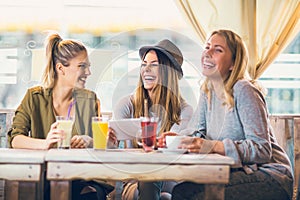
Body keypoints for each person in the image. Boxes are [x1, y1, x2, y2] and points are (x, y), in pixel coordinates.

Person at [171, 29, 293, 200]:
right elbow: (197, 132)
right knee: (181, 191)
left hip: (271, 178)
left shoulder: (244, 90)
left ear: (233, 64)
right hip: (233, 172)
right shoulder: (208, 91)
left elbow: (262, 149)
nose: (208, 53)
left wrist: (214, 146)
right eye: (207, 47)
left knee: (189, 196)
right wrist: (175, 138)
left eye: (218, 50)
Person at [7, 32, 114, 200]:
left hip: (84, 178)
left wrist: (89, 140)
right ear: (60, 68)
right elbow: (15, 139)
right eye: (82, 66)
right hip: (44, 177)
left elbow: (104, 144)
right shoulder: (34, 97)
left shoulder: (90, 99)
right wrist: (45, 144)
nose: (89, 72)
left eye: (88, 66)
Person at [109, 39, 193, 200]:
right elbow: (113, 152)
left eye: (154, 64)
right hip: (134, 181)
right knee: (161, 193)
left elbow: (172, 151)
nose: (146, 69)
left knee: (167, 196)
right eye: (144, 63)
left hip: (170, 180)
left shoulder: (184, 110)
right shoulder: (127, 105)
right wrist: (110, 141)